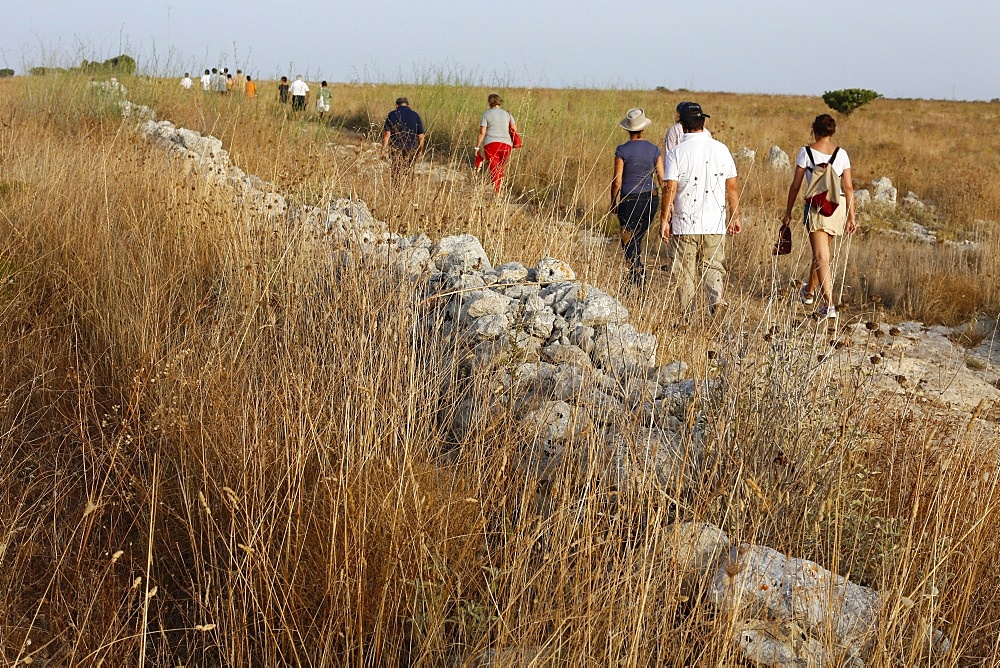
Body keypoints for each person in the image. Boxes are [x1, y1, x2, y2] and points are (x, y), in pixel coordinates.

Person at [660, 103, 740, 316]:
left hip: (684, 222)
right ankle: (716, 303)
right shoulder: (721, 149)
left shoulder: (676, 153)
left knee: (684, 272)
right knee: (713, 267)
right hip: (715, 221)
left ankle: (687, 317)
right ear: (703, 122)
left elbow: (671, 188)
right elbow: (731, 186)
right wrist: (735, 217)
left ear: (682, 125)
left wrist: (664, 219)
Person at [780, 114, 856, 319]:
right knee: (821, 253)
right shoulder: (841, 154)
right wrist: (851, 216)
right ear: (832, 131)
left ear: (813, 129)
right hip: (836, 206)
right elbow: (848, 187)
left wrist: (788, 212)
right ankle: (808, 293)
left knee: (822, 256)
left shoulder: (806, 152)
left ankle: (829, 305)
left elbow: (796, 185)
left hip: (816, 207)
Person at [610, 108, 667, 286]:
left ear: (628, 129)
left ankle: (636, 272)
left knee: (628, 237)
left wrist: (613, 202)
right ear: (643, 129)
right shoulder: (654, 149)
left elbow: (617, 181)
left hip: (629, 198)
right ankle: (636, 274)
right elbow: (662, 178)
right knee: (638, 236)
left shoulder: (622, 150)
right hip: (651, 197)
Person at [474, 93, 518, 192]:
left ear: (489, 102)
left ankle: (497, 194)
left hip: (491, 144)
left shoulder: (487, 114)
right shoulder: (507, 114)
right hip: (506, 145)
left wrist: (477, 147)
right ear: (500, 102)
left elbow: (482, 132)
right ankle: (500, 190)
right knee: (500, 167)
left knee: (494, 169)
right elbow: (514, 129)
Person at [381, 97, 425, 175]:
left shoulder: (392, 114)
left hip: (396, 147)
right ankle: (408, 185)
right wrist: (420, 150)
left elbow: (387, 134)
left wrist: (383, 149)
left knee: (396, 171)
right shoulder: (415, 115)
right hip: (412, 148)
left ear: (397, 105)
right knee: (409, 170)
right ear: (408, 105)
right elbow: (421, 136)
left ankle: (396, 186)